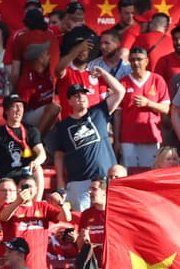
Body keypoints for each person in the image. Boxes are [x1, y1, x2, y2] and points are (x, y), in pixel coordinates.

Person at [49, 71, 125, 212]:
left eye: (83, 94)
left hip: (105, 179)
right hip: (79, 182)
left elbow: (120, 91)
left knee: (109, 216)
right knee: (84, 221)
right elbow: (59, 156)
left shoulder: (98, 112)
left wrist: (103, 74)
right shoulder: (62, 126)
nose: (81, 98)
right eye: (76, 96)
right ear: (69, 101)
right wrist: (60, 182)